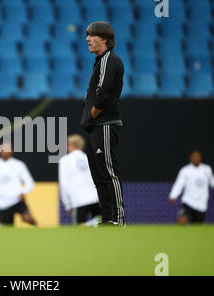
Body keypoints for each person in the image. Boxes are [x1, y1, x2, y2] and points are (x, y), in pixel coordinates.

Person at [79, 21, 125, 226]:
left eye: (92, 35)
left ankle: (118, 219)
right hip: (96, 126)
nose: (87, 39)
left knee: (109, 173)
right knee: (99, 176)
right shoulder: (100, 61)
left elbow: (103, 96)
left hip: (105, 124)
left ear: (104, 39)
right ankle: (107, 219)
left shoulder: (109, 60)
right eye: (87, 35)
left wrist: (91, 116)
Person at [169, 149, 214, 224]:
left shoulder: (207, 169)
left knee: (197, 228)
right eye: (194, 157)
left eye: (197, 156)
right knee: (181, 220)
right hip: (188, 202)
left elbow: (213, 183)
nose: (196, 158)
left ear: (201, 158)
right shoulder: (185, 170)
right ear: (190, 158)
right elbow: (179, 184)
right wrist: (173, 195)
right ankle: (175, 235)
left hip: (201, 205)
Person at [0, 142, 36, 226]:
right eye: (3, 149)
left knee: (27, 217)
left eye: (7, 149)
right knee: (7, 227)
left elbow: (30, 183)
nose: (5, 151)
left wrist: (23, 192)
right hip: (2, 203)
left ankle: (38, 227)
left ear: (12, 151)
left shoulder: (19, 165)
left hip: (17, 199)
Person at [59, 135, 101, 227]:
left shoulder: (65, 160)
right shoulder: (90, 158)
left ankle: (90, 224)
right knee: (102, 227)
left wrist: (67, 204)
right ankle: (93, 224)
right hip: (96, 198)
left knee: (78, 231)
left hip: (78, 200)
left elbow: (64, 184)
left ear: (70, 145)